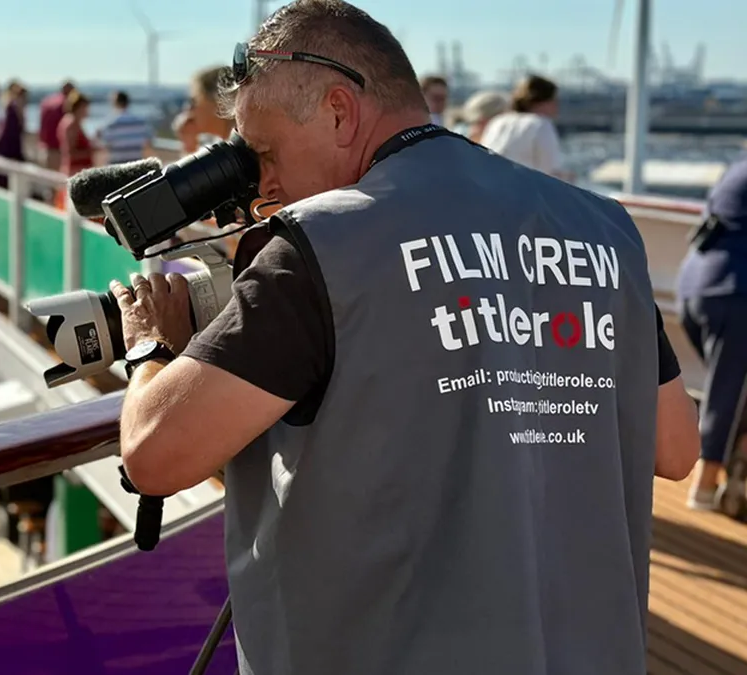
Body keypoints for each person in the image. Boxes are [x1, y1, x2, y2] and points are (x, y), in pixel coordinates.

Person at [112, 2, 698, 673]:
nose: (264, 185)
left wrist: (152, 343)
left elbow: (155, 454)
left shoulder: (321, 244)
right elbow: (676, 447)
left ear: (339, 110)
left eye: (265, 153)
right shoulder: (604, 228)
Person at [677, 157, 747, 510]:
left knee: (732, 389)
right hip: (734, 292)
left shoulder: (738, 166)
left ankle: (733, 477)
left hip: (696, 285)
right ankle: (704, 487)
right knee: (731, 392)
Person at [480, 74, 573, 181]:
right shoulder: (540, 124)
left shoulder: (498, 122)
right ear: (543, 101)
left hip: (493, 188)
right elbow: (550, 173)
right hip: (524, 192)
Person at [172, 66, 235, 154]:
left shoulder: (246, 151)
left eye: (193, 101)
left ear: (219, 102)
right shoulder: (225, 149)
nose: (189, 109)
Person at [97, 90, 154, 164]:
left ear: (115, 103)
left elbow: (103, 145)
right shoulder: (141, 122)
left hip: (116, 166)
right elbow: (149, 142)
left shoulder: (110, 124)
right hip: (136, 165)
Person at [38, 81, 75, 171]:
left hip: (45, 147)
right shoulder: (65, 103)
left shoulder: (47, 101)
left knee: (49, 180)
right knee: (59, 181)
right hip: (58, 149)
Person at [57, 91, 93, 176]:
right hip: (75, 172)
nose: (87, 111)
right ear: (78, 107)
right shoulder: (71, 124)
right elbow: (70, 153)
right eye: (85, 107)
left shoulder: (76, 123)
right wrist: (91, 151)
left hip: (80, 170)